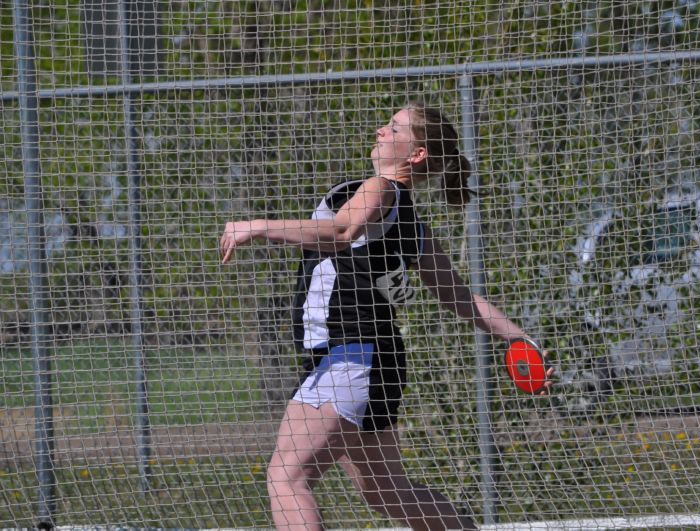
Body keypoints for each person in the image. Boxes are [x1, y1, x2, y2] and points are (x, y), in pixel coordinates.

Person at [220, 103, 554, 531]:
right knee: (386, 492)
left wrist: (258, 225)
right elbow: (458, 296)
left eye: (394, 127)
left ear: (415, 154)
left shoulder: (380, 188)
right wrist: (519, 338)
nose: (380, 129)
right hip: (375, 359)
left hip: (352, 355)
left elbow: (342, 233)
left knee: (287, 477)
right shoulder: (410, 222)